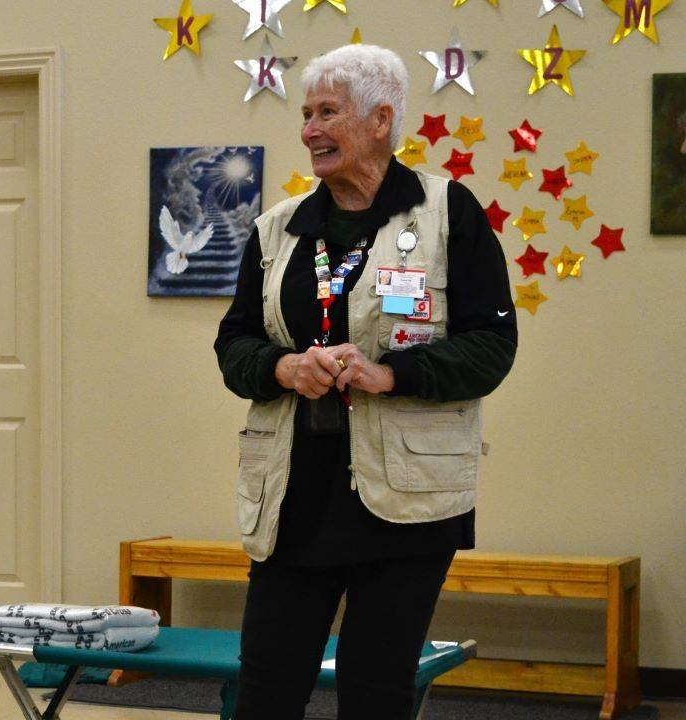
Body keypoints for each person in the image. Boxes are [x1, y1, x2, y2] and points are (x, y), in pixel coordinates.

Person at [214, 44, 516, 719]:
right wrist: (284, 367)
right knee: (265, 687)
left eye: (328, 113)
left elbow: (492, 347)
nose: (309, 129)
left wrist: (390, 374)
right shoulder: (277, 229)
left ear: (380, 120)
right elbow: (234, 345)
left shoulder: (448, 214)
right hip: (293, 498)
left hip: (406, 504)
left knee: (376, 691)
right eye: (306, 113)